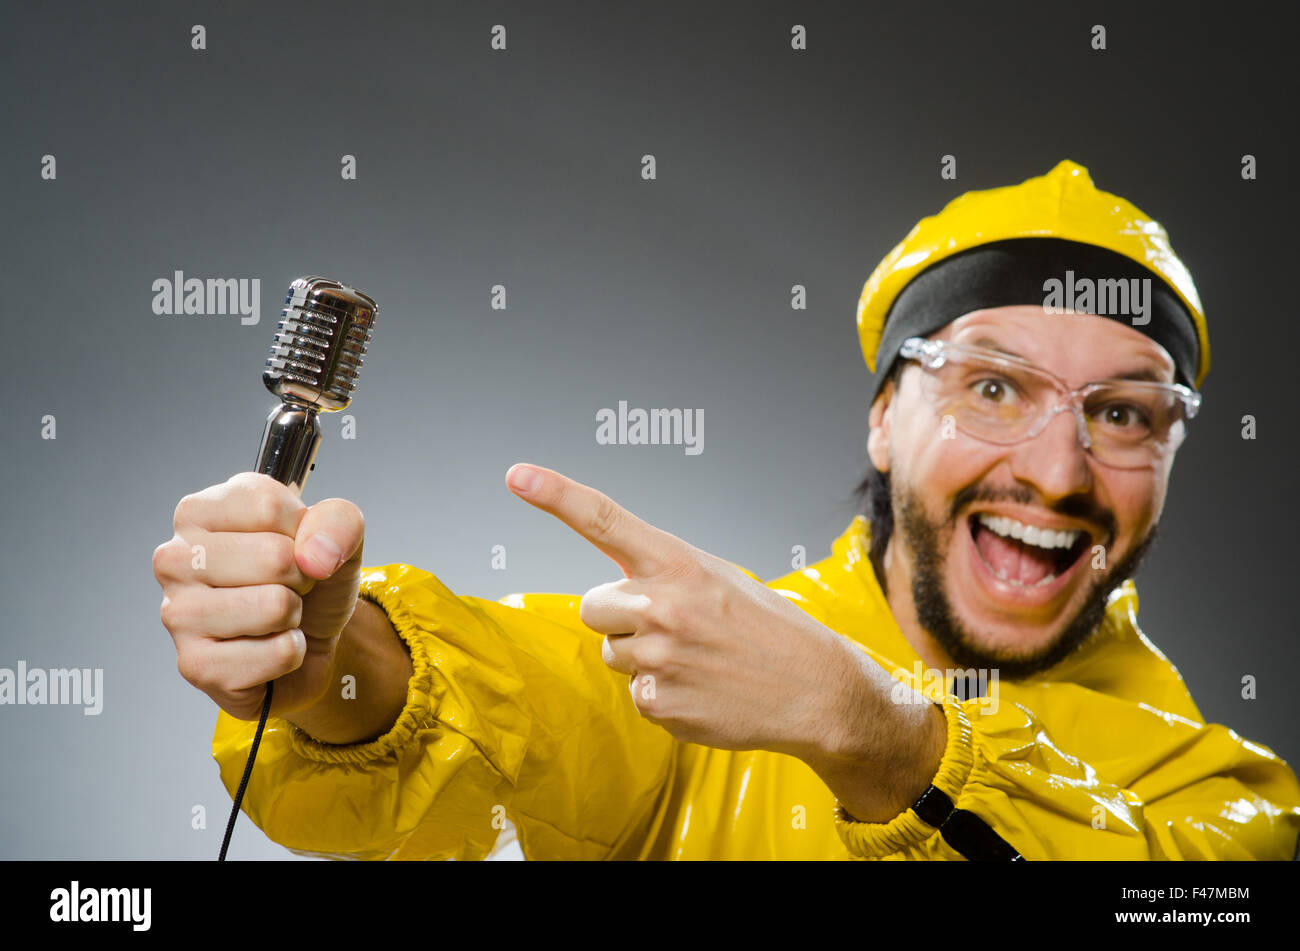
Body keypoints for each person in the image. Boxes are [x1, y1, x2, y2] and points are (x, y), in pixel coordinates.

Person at [153, 159, 1300, 860]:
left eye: (1124, 414)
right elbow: (506, 703)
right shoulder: (700, 668)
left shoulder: (1217, 797)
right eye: (991, 387)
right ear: (884, 417)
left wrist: (887, 740)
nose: (1057, 471)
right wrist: (337, 667)